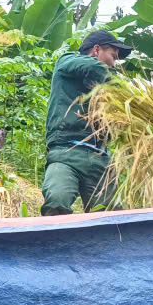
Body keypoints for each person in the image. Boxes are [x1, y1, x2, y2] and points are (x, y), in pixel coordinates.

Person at [40, 30, 134, 216]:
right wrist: (119, 88)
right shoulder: (66, 61)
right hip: (65, 153)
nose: (114, 64)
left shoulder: (104, 90)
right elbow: (94, 68)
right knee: (57, 201)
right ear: (97, 49)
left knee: (112, 217)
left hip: (100, 158)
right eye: (113, 56)